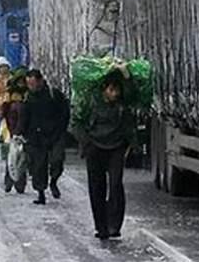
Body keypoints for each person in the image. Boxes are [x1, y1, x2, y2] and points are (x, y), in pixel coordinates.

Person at [81, 64, 135, 240]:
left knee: (115, 185)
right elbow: (76, 122)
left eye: (117, 90)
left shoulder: (122, 104)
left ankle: (114, 225)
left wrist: (125, 74)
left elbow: (132, 94)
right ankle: (101, 227)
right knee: (97, 188)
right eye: (112, 90)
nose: (115, 94)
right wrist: (86, 143)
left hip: (116, 147)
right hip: (95, 147)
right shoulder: (91, 102)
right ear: (104, 90)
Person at [20, 69, 70, 205]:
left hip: (55, 133)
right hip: (36, 136)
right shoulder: (27, 98)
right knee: (38, 167)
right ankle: (41, 193)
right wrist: (19, 133)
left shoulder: (54, 95)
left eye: (33, 83)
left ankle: (54, 181)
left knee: (57, 160)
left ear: (41, 81)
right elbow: (24, 117)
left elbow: (65, 112)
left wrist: (61, 129)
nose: (31, 87)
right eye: (28, 84)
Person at [2, 67, 28, 193]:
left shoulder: (27, 96)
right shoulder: (11, 95)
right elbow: (5, 113)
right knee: (13, 158)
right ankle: (10, 182)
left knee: (21, 159)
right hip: (12, 130)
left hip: (21, 131)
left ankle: (18, 183)